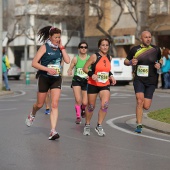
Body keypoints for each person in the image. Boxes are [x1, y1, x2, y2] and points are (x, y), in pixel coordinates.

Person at [25, 26, 70, 140]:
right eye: (55, 37)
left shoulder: (60, 48)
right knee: (39, 104)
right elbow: (34, 63)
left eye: (59, 37)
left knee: (54, 104)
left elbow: (68, 60)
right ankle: (32, 114)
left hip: (56, 79)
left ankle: (53, 131)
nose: (57, 39)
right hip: (44, 77)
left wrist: (62, 47)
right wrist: (47, 69)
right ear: (50, 37)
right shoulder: (44, 47)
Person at [124, 31, 161, 133]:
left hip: (151, 80)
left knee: (146, 106)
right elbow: (125, 61)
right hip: (139, 79)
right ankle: (139, 124)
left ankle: (139, 116)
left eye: (149, 37)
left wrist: (159, 65)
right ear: (141, 39)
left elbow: (160, 60)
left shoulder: (156, 49)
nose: (148, 39)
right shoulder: (135, 49)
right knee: (139, 101)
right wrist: (131, 62)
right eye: (146, 37)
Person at [82, 38, 116, 137]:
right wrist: (91, 74)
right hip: (93, 84)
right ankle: (87, 125)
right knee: (91, 106)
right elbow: (85, 68)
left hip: (105, 84)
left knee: (105, 105)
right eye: (103, 45)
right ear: (99, 46)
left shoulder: (110, 57)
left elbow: (107, 70)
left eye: (106, 45)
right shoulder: (94, 56)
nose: (105, 47)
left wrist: (111, 76)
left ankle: (99, 125)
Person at [67, 41, 90, 124]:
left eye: (85, 47)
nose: (83, 49)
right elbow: (70, 68)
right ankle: (78, 116)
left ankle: (83, 109)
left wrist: (90, 75)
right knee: (78, 99)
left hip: (86, 81)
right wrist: (69, 71)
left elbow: (94, 69)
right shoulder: (75, 58)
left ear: (87, 49)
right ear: (79, 48)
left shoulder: (90, 58)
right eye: (81, 47)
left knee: (85, 102)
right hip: (76, 80)